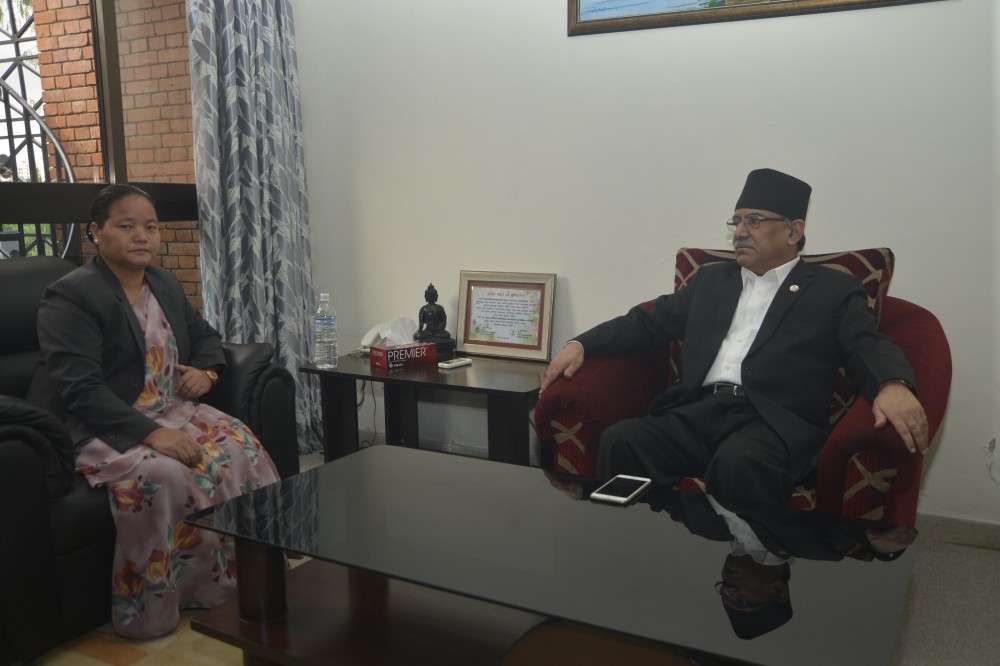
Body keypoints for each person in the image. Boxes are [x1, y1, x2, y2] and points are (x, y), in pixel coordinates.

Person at [540, 168, 928, 505]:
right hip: (696, 410)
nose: (740, 232)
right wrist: (581, 344)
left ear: (794, 231)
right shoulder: (711, 280)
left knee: (740, 464)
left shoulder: (832, 289)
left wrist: (891, 383)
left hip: (770, 421)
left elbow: (864, 343)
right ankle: (637, 545)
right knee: (623, 440)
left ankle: (750, 557)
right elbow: (648, 323)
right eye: (736, 222)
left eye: (754, 221)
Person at [28, 184, 281, 638]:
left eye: (150, 227)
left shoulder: (161, 282)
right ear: (95, 232)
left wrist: (207, 372)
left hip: (168, 407)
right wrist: (151, 434)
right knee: (164, 475)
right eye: (126, 226)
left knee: (240, 446)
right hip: (100, 422)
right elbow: (80, 389)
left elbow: (205, 337)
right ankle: (154, 608)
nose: (142, 236)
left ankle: (239, 576)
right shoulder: (71, 296)